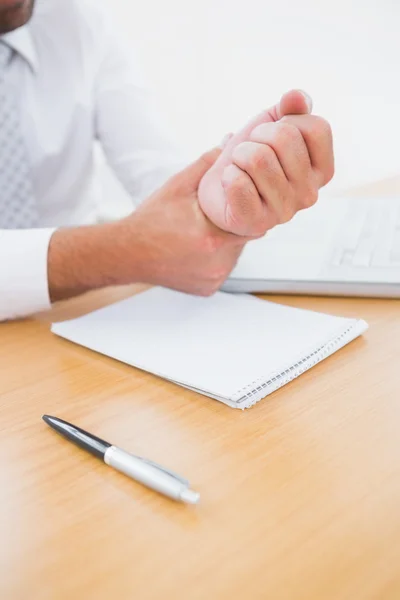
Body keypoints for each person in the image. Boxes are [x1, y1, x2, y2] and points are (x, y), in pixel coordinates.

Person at [0, 0, 334, 321]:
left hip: (78, 313)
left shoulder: (78, 19)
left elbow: (151, 164)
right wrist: (123, 251)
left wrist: (213, 203)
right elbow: (135, 244)